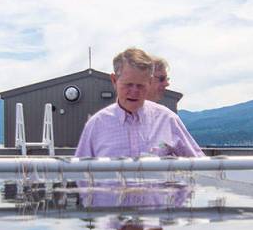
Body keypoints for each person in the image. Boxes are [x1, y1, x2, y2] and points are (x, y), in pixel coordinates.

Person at [75, 48, 203, 158]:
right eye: (128, 84)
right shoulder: (96, 125)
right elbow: (80, 176)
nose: (134, 91)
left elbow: (199, 166)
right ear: (114, 80)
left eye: (141, 86)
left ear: (149, 82)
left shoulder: (167, 120)